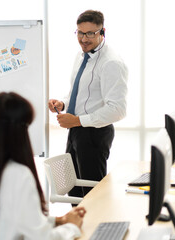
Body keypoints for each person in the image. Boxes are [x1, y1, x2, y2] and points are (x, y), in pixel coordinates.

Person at [0, 92, 86, 240]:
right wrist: (72, 227)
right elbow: (42, 238)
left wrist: (58, 220)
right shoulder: (19, 174)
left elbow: (8, 218)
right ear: (21, 132)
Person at [48, 10, 128, 199]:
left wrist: (77, 120)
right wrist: (63, 103)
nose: (84, 39)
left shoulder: (111, 63)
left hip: (94, 133)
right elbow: (81, 94)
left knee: (92, 195)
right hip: (76, 130)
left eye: (90, 33)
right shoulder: (81, 55)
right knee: (74, 191)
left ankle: (96, 229)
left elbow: (118, 110)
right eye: (80, 33)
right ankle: (78, 229)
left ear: (102, 32)